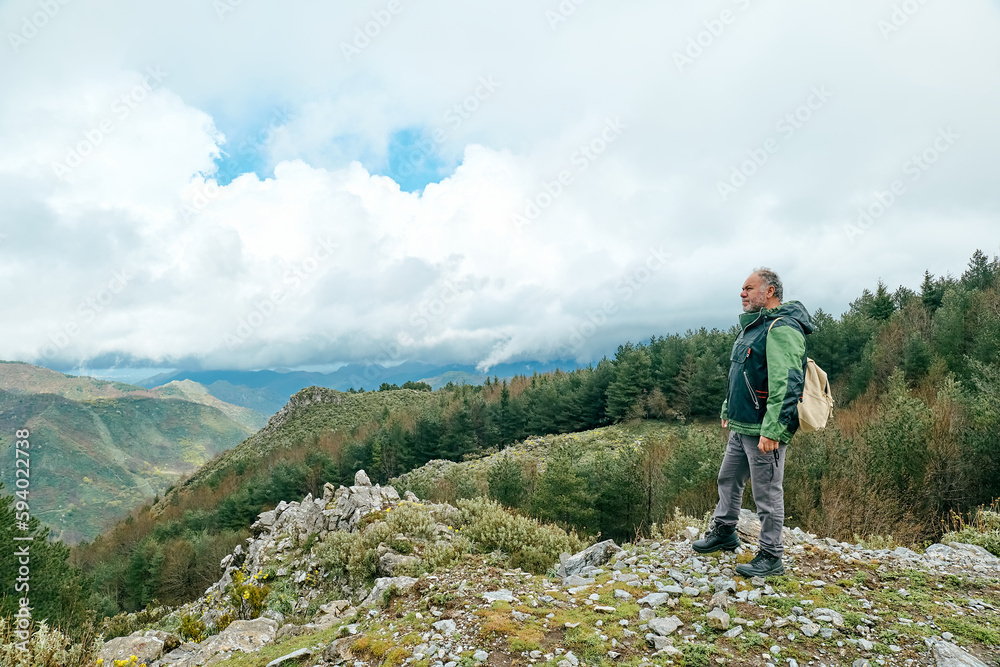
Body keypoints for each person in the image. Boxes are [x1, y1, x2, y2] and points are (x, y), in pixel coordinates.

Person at [692, 268, 813, 577]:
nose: (742, 294)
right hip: (741, 424)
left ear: (769, 292)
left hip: (763, 430)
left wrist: (774, 429)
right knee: (728, 479)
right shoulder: (753, 328)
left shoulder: (781, 328)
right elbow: (739, 374)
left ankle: (771, 556)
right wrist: (726, 408)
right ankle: (725, 532)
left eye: (748, 288)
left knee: (767, 494)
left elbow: (788, 382)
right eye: (742, 289)